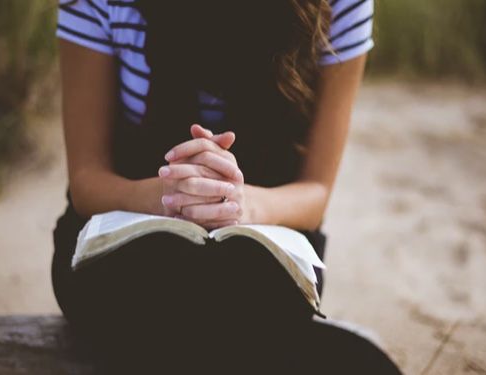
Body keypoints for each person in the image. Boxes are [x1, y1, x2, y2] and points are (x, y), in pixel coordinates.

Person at [51, 0, 401, 373]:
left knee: (237, 293)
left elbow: (315, 192)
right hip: (123, 240)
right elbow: (87, 180)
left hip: (265, 245)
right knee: (171, 295)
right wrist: (169, 196)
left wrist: (239, 204)